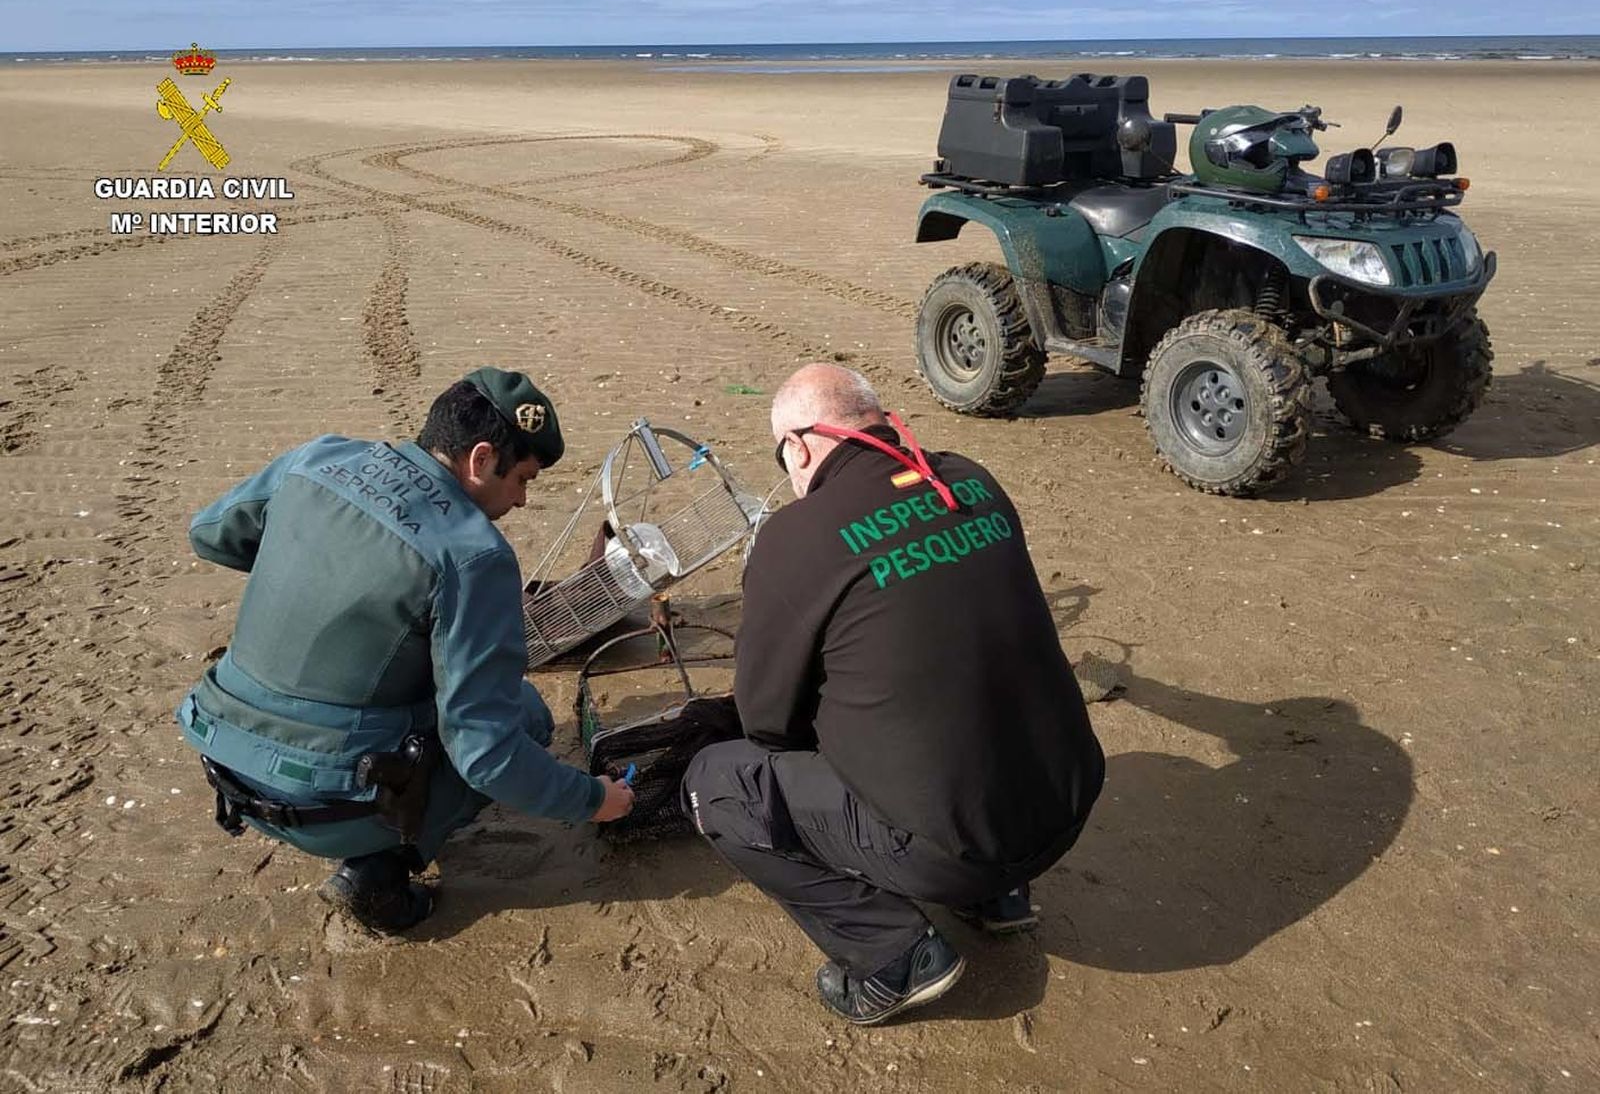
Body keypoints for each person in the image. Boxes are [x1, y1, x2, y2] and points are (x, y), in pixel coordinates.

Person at [682, 364, 1104, 1025]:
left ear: (796, 447)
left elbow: (766, 723)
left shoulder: (795, 537)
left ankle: (894, 953)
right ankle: (1002, 898)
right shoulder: (971, 478)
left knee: (718, 781)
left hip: (955, 843)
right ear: (873, 419)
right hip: (1068, 802)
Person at [174, 367, 634, 933]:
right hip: (324, 806)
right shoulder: (474, 554)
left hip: (222, 757)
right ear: (481, 458)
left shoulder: (317, 459)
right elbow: (486, 754)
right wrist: (592, 798)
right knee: (526, 713)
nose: (520, 500)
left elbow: (210, 533)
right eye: (522, 478)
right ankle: (380, 871)